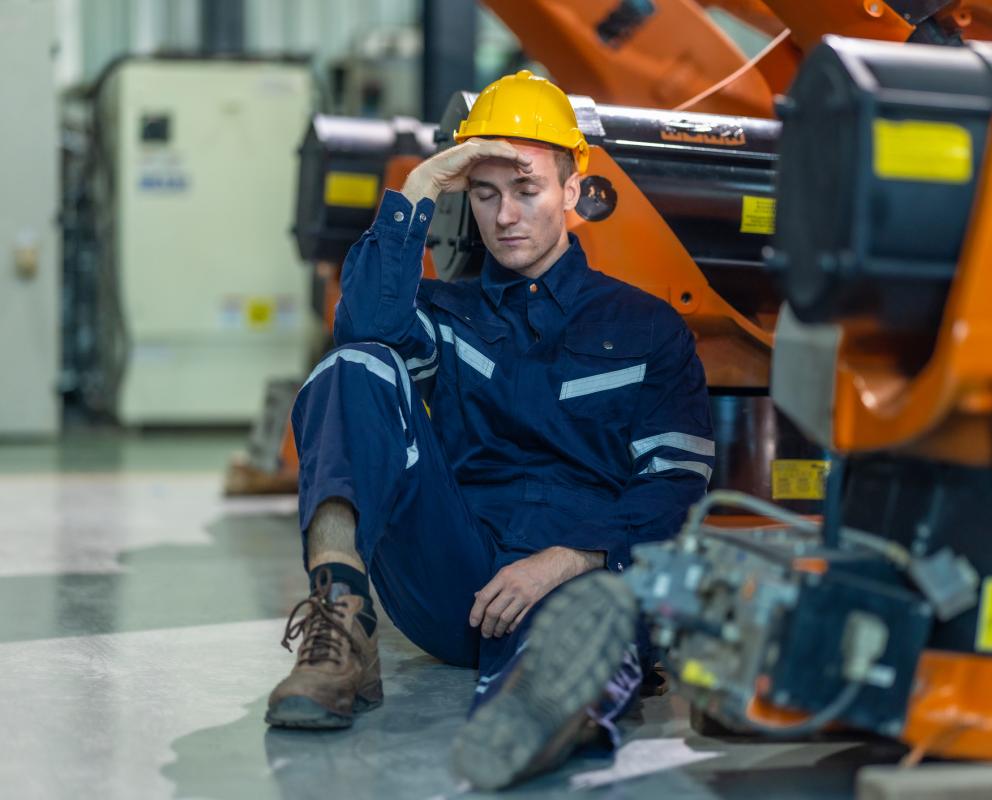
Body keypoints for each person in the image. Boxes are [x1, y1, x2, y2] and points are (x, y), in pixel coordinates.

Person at [265, 70, 714, 790]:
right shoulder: (448, 313)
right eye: (484, 193)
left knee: (592, 625)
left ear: (573, 192)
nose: (505, 214)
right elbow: (363, 331)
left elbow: (675, 486)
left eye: (527, 188)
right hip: (456, 580)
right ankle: (339, 622)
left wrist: (571, 557)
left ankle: (555, 705)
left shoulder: (645, 328)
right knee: (353, 366)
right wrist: (417, 189)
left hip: (578, 579)